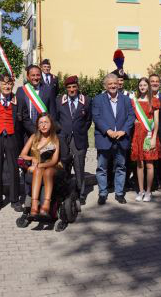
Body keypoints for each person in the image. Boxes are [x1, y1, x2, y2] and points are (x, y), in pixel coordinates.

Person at [92, 73, 135, 205]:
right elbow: (96, 117)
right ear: (105, 85)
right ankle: (103, 193)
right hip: (105, 138)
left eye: (114, 83)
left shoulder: (126, 100)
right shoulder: (98, 99)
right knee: (102, 168)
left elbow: (131, 116)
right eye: (109, 84)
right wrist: (108, 131)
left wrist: (123, 131)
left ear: (119, 84)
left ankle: (119, 193)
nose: (112, 86)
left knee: (121, 167)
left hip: (121, 139)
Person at [0, 73, 23, 212]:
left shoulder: (18, 100)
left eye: (9, 84)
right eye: (4, 84)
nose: (7, 86)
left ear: (12, 85)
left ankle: (15, 200)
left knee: (14, 169)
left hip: (12, 137)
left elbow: (23, 119)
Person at [55, 76, 92, 205]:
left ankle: (80, 194)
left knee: (79, 166)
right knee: (64, 167)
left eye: (74, 87)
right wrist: (62, 132)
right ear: (66, 89)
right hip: (63, 139)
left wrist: (79, 130)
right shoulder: (59, 101)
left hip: (79, 139)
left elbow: (88, 120)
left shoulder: (86, 101)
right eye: (69, 87)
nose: (72, 90)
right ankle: (65, 193)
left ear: (78, 87)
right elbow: (55, 119)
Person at [19, 113, 60, 217]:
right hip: (37, 168)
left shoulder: (55, 138)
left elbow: (54, 161)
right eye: (40, 123)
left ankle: (46, 204)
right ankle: (34, 205)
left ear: (51, 124)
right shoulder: (33, 137)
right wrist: (32, 158)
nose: (43, 125)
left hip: (52, 166)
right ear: (37, 125)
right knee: (38, 170)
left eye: (46, 122)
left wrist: (41, 165)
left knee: (48, 172)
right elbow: (22, 155)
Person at [130, 78, 161, 202]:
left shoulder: (154, 101)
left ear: (148, 86)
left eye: (145, 85)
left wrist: (154, 138)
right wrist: (134, 121)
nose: (142, 87)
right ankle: (141, 190)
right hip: (137, 135)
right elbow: (131, 117)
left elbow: (157, 122)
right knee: (139, 164)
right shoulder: (134, 102)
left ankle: (148, 191)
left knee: (149, 164)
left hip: (149, 135)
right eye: (140, 85)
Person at [17, 65, 57, 137]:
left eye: (38, 75)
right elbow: (20, 113)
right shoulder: (21, 91)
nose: (35, 78)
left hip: (44, 132)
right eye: (33, 75)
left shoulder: (48, 90)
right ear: (28, 77)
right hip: (25, 133)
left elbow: (52, 113)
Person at [148, 73, 161, 192]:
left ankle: (159, 181)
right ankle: (149, 183)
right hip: (146, 134)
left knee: (159, 160)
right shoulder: (142, 97)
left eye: (156, 81)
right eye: (152, 81)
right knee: (147, 160)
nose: (154, 83)